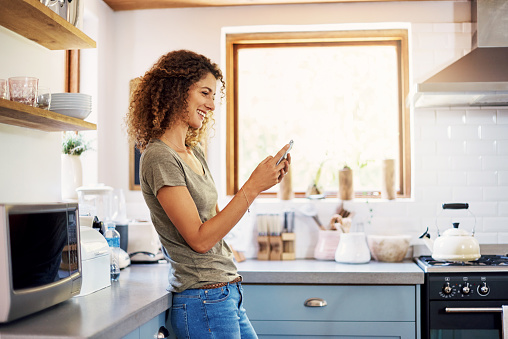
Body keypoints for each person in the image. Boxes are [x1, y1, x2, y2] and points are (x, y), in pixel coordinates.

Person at [125, 49, 291, 339]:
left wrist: (263, 184)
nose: (212, 105)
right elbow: (200, 240)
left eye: (214, 96)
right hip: (201, 299)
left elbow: (214, 224)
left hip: (226, 292)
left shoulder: (194, 152)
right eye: (205, 93)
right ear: (178, 91)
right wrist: (251, 187)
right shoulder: (159, 157)